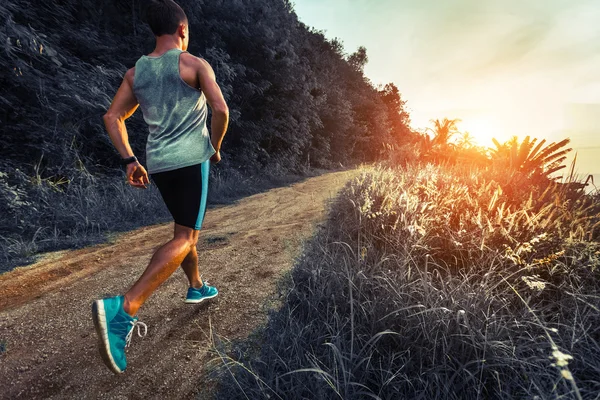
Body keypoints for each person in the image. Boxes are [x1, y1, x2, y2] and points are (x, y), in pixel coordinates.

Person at [92, 0, 229, 374]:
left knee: (183, 229)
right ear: (182, 29)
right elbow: (220, 109)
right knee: (186, 236)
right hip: (190, 161)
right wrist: (214, 148)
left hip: (159, 165)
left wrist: (129, 160)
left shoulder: (136, 73)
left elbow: (112, 115)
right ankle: (124, 308)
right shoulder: (193, 64)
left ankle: (197, 286)